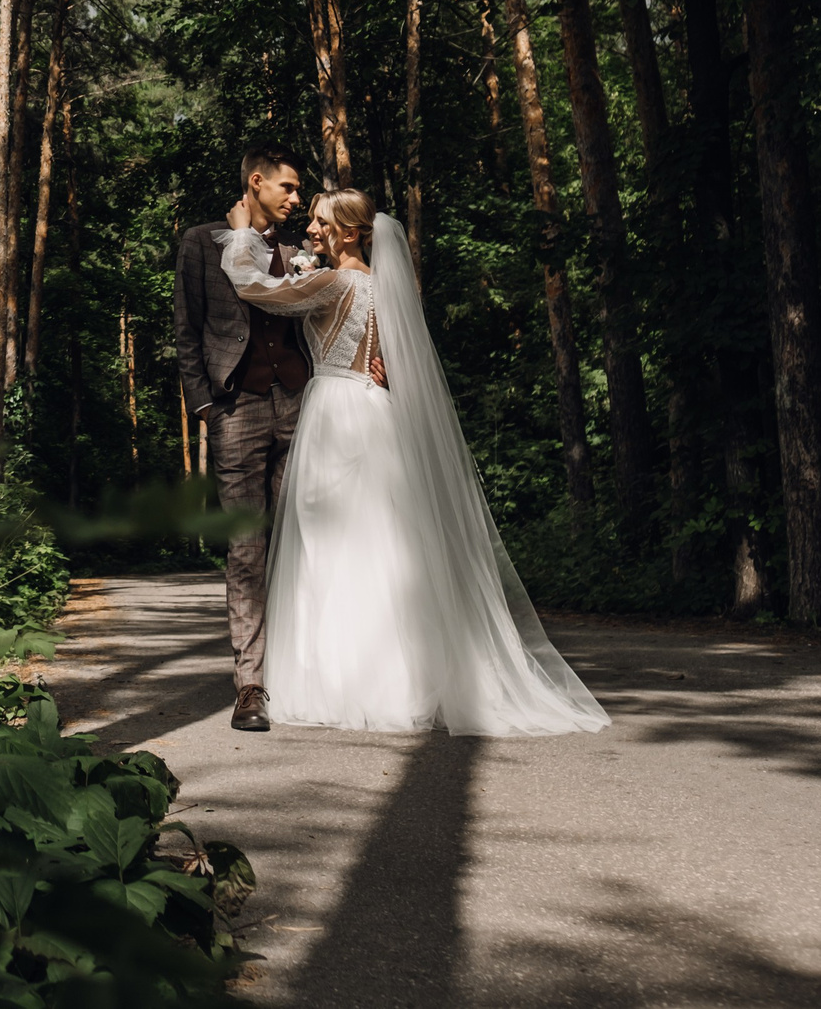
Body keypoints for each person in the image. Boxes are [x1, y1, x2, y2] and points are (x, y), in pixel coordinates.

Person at [215, 187, 608, 737]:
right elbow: (396, 360)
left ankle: (345, 682)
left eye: (321, 222)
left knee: (333, 543)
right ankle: (398, 677)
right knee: (383, 542)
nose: (311, 229)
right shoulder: (382, 286)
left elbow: (256, 288)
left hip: (336, 413)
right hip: (375, 410)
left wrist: (240, 236)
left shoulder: (334, 282)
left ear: (350, 233)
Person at [173, 146, 312, 732]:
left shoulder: (302, 249)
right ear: (256, 182)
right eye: (288, 187)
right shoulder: (201, 242)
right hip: (236, 408)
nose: (297, 199)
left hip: (304, 405)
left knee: (305, 539)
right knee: (246, 548)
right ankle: (251, 685)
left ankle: (307, 673)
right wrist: (204, 404)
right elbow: (187, 328)